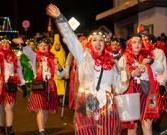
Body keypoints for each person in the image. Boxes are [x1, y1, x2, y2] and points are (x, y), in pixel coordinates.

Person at [46, 4, 129, 135]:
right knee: (86, 132)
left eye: (101, 40)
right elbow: (70, 38)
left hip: (107, 104)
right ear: (90, 43)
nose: (98, 42)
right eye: (94, 40)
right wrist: (59, 17)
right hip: (86, 101)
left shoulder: (112, 62)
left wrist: (125, 72)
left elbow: (119, 87)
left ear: (104, 43)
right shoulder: (83, 55)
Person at [118, 34, 164, 135]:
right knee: (132, 127)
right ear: (129, 45)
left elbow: (161, 70)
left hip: (146, 92)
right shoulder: (124, 59)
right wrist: (130, 74)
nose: (137, 44)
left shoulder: (148, 57)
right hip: (130, 93)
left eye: (139, 42)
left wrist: (151, 62)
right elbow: (118, 77)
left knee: (147, 125)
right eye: (134, 42)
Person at [13, 38, 59, 135]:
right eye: (41, 45)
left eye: (45, 45)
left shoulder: (53, 58)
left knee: (46, 109)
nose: (43, 46)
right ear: (38, 47)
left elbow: (61, 74)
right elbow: (28, 51)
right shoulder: (35, 57)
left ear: (48, 47)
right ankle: (41, 130)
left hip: (50, 86)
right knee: (41, 108)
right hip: (39, 85)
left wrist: (59, 66)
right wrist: (23, 43)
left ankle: (43, 127)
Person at [0, 39, 26, 135]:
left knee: (9, 108)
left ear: (10, 46)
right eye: (3, 43)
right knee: (0, 109)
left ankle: (10, 130)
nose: (5, 44)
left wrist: (23, 84)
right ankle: (2, 130)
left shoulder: (14, 56)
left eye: (7, 43)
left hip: (10, 84)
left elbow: (19, 70)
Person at [50, 34, 66, 100]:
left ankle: (60, 99)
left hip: (61, 74)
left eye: (59, 45)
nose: (57, 46)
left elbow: (65, 62)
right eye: (56, 45)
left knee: (61, 90)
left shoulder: (63, 52)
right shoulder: (51, 52)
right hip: (54, 75)